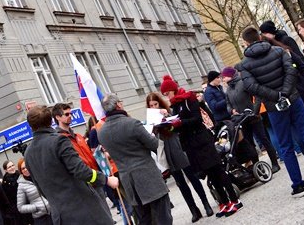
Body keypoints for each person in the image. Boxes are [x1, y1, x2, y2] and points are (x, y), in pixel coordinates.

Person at [237, 26, 304, 198]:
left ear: (245, 42)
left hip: (274, 106)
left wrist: (275, 96)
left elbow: (251, 86)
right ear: (259, 37)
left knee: (286, 145)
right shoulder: (278, 51)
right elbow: (291, 71)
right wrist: (286, 92)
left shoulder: (244, 65)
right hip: (294, 99)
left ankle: (298, 186)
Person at [160, 75, 242, 216]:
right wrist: (170, 126)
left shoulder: (189, 99)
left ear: (172, 89)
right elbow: (179, 124)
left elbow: (197, 119)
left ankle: (234, 200)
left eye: (167, 93)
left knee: (218, 171)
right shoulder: (175, 105)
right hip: (191, 144)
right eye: (165, 95)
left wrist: (180, 123)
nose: (167, 96)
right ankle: (223, 202)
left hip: (202, 140)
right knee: (211, 174)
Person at [23, 105, 117, 225]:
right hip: (85, 211)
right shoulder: (59, 141)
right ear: (51, 120)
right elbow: (80, 170)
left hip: (61, 216)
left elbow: (40, 187)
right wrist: (106, 179)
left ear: (31, 126)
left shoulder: (28, 153)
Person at [97, 93, 172, 225]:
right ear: (118, 105)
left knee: (144, 219)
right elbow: (154, 145)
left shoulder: (101, 133)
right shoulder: (132, 123)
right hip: (148, 177)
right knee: (163, 217)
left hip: (128, 182)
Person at [146, 91, 214, 221]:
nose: (154, 107)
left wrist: (167, 117)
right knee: (180, 183)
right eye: (151, 105)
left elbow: (178, 123)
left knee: (192, 177)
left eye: (156, 104)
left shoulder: (169, 110)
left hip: (177, 145)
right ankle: (193, 209)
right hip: (166, 149)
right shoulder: (151, 117)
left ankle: (205, 203)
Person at [220, 66, 281, 173]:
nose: (223, 79)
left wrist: (255, 111)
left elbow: (256, 96)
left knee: (264, 139)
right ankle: (258, 167)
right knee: (249, 144)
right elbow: (228, 103)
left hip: (253, 117)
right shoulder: (228, 89)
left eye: (224, 77)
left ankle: (275, 163)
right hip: (241, 120)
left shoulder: (243, 83)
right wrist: (232, 110)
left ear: (230, 75)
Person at [16, 159, 51, 225]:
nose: (25, 169)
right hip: (40, 218)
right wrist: (35, 207)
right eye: (23, 168)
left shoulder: (40, 176)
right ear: (21, 171)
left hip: (53, 212)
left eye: (26, 167)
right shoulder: (21, 186)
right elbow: (20, 207)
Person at [0, 160, 27, 225]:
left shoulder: (21, 174)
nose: (12, 168)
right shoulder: (5, 182)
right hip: (18, 208)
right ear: (5, 170)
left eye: (12, 165)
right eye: (9, 167)